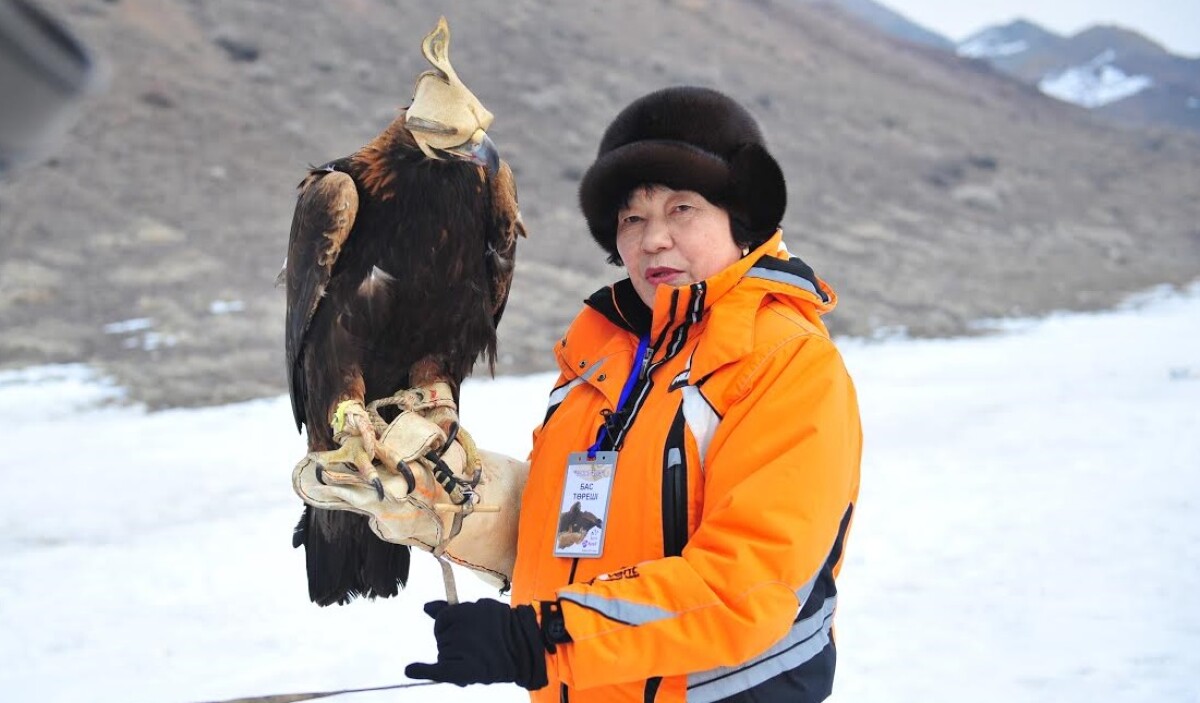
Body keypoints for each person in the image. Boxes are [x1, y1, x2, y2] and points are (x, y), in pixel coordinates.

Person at [405, 86, 863, 703]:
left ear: (741, 217)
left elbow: (745, 587)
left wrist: (539, 641)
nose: (652, 240)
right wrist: (455, 502)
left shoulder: (787, 365)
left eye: (683, 209)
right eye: (633, 218)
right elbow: (581, 536)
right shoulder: (602, 364)